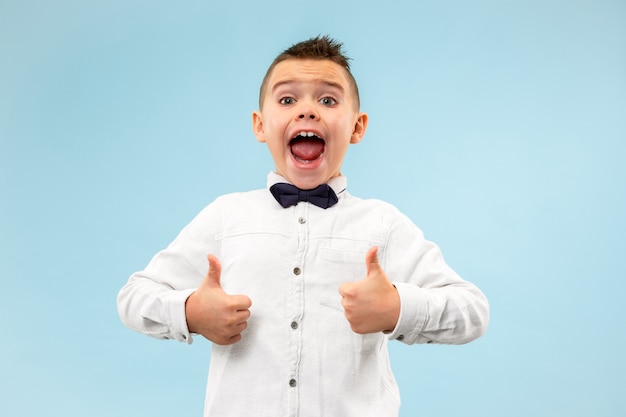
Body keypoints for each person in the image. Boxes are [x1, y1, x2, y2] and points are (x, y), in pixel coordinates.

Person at [117, 35, 489, 417]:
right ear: (260, 125)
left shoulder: (383, 224)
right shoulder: (225, 217)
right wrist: (191, 311)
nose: (307, 111)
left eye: (328, 100)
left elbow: (472, 311)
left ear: (357, 127)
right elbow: (133, 297)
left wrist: (398, 308)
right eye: (287, 99)